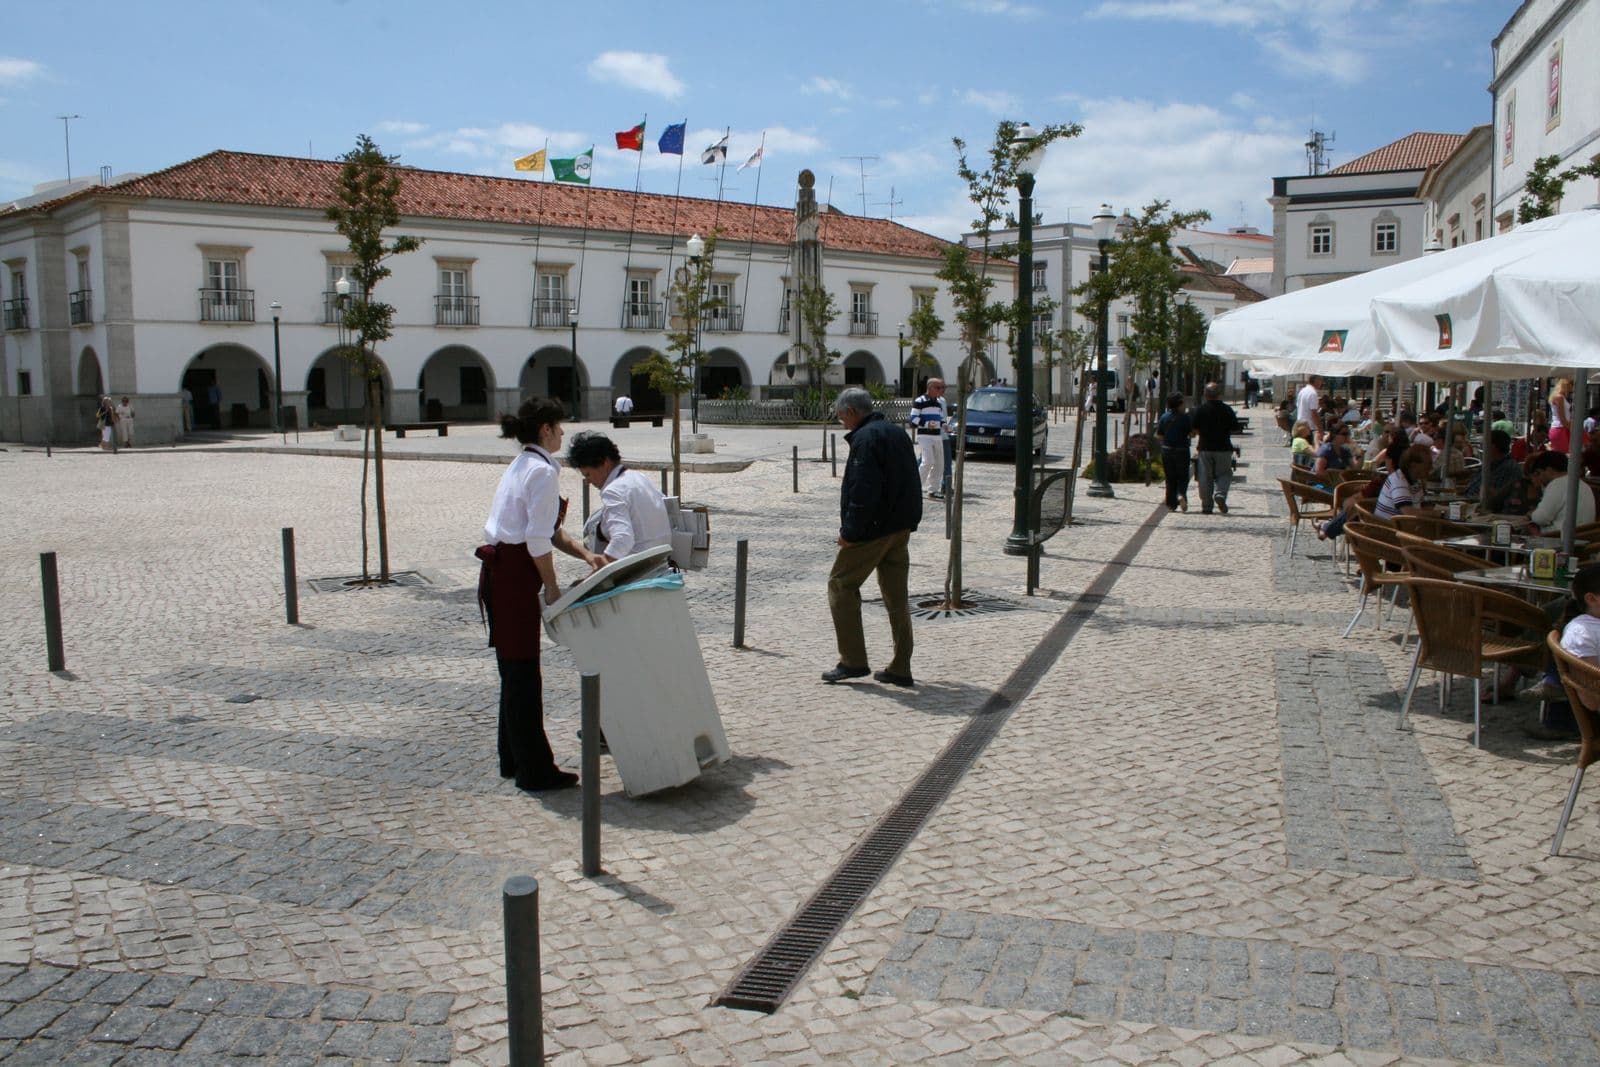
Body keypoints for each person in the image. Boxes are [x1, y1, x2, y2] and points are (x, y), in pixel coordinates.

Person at [478, 397, 599, 793]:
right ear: (545, 429)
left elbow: (546, 531)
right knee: (523, 675)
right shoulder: (542, 472)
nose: (563, 433)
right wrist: (551, 585)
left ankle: (512, 759)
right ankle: (534, 770)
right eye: (559, 426)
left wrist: (583, 553)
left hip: (501, 573)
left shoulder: (523, 464)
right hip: (513, 577)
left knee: (513, 673)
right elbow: (536, 540)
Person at [824, 387, 921, 687]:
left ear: (852, 412)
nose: (842, 422)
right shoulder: (896, 432)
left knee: (840, 585)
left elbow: (863, 491)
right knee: (896, 596)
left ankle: (853, 661)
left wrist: (850, 533)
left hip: (874, 530)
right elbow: (911, 479)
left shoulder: (865, 440)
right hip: (899, 527)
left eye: (841, 417)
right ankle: (901, 666)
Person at [566, 431, 673, 566]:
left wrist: (599, 570)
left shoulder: (613, 491)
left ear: (604, 463)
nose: (588, 481)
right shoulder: (639, 477)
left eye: (588, 474)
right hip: (660, 563)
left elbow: (622, 539)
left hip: (638, 570)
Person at [1191, 382, 1239, 515]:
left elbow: (1194, 429)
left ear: (1205, 395)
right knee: (1224, 473)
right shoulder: (1227, 409)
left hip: (1205, 448)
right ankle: (1220, 494)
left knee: (1205, 477)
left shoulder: (1199, 410)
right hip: (1223, 447)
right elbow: (1235, 428)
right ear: (1219, 394)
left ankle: (1206, 506)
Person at [1524, 451, 1597, 536]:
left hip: (1560, 539)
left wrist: (1532, 514)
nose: (1540, 478)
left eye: (1539, 473)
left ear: (1549, 470)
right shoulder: (1583, 484)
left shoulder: (1556, 484)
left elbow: (1541, 518)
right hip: (1583, 536)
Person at [1467, 430, 1532, 514]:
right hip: (1469, 503)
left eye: (1483, 444)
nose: (1481, 447)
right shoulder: (1490, 465)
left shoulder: (1509, 468)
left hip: (1483, 510)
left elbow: (1501, 497)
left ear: (1492, 446)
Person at [909, 378, 947, 500]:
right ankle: (915, 488)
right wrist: (926, 424)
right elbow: (913, 419)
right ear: (930, 388)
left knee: (940, 463)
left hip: (937, 435)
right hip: (924, 436)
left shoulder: (938, 403)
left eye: (942, 387)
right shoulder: (919, 401)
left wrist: (945, 425)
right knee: (927, 461)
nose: (941, 390)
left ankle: (933, 490)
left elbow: (941, 419)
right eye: (938, 387)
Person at [1375, 444, 1436, 520]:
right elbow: (1409, 512)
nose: (1431, 468)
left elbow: (1423, 505)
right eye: (1428, 464)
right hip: (1390, 528)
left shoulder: (1415, 480)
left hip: (1405, 525)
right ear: (1414, 466)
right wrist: (1440, 514)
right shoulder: (1398, 480)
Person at [1155, 393, 1192, 513]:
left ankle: (1171, 504)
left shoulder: (1164, 417)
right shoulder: (1185, 418)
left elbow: (1159, 435)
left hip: (1167, 450)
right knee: (1183, 475)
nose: (1185, 406)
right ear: (1179, 404)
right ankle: (1181, 494)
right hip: (1182, 450)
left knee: (1170, 477)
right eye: (1183, 403)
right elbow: (1192, 433)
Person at [1548, 378, 1574, 455]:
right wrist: (1572, 428)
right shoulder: (1559, 397)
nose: (1571, 389)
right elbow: (1562, 418)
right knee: (1562, 455)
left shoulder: (1560, 397)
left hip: (1562, 427)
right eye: (1570, 386)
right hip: (1560, 428)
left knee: (1565, 454)